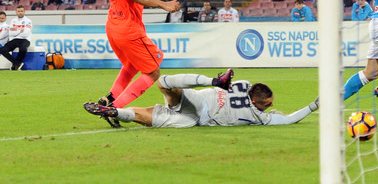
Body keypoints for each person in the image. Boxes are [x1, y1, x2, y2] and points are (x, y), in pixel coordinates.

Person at [96, 0, 180, 128]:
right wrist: (163, 4)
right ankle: (116, 108)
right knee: (153, 71)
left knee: (132, 65)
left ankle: (109, 99)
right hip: (128, 27)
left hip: (113, 24)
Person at [83, 70, 319, 128]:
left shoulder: (243, 85)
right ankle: (116, 113)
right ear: (258, 102)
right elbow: (288, 120)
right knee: (144, 117)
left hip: (199, 100)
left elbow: (254, 90)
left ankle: (115, 112)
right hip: (196, 120)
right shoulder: (258, 116)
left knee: (164, 83)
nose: (271, 106)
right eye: (269, 103)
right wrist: (315, 105)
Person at [0, 5, 32, 71]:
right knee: (2, 49)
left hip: (25, 40)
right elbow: (11, 33)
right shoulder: (13, 21)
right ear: (16, 12)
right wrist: (20, 30)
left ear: (24, 12)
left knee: (23, 49)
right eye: (18, 11)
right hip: (15, 39)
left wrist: (16, 30)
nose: (20, 13)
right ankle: (17, 63)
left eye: (21, 11)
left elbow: (26, 34)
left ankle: (15, 64)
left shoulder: (28, 21)